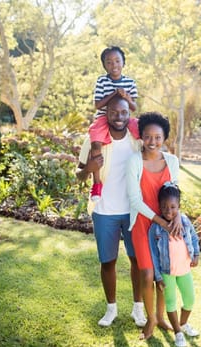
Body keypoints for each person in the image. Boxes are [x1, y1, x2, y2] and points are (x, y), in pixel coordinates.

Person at [76, 94, 146, 328]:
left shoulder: (137, 139)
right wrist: (89, 168)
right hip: (104, 210)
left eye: (124, 112)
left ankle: (138, 309)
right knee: (108, 262)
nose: (119, 117)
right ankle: (111, 309)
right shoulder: (93, 139)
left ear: (130, 113)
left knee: (137, 261)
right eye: (114, 112)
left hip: (133, 211)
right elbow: (78, 176)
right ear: (106, 114)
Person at [126, 112, 183, 340]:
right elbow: (134, 200)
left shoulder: (172, 161)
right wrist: (161, 221)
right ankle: (150, 319)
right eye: (148, 137)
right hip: (142, 224)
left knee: (165, 275)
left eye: (158, 137)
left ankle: (160, 317)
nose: (152, 142)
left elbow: (175, 194)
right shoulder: (134, 161)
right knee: (148, 274)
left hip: (166, 227)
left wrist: (176, 218)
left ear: (164, 138)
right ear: (141, 137)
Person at [149, 182, 200, 347]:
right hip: (166, 272)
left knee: (190, 299)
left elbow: (193, 237)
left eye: (172, 207)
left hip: (184, 269)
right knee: (170, 302)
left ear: (179, 206)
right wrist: (157, 277)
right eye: (164, 207)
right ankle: (177, 332)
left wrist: (197, 254)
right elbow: (154, 254)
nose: (168, 211)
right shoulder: (155, 229)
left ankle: (183, 324)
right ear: (159, 206)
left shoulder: (184, 221)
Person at [89, 46, 139, 202]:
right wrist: (114, 94)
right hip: (104, 117)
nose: (114, 65)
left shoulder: (130, 82)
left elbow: (134, 107)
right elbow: (98, 105)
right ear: (104, 65)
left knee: (143, 132)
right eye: (109, 62)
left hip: (124, 117)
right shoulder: (102, 81)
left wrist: (126, 97)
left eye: (117, 61)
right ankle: (97, 184)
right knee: (96, 144)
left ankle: (142, 175)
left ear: (123, 62)